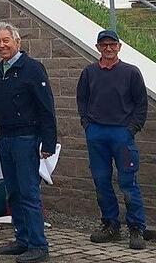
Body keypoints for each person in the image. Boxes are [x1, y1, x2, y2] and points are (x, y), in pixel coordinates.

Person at [0, 22, 56, 263]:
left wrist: (48, 142)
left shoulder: (33, 69)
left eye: (6, 40)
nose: (1, 45)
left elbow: (46, 107)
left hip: (27, 139)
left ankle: (39, 245)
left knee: (29, 192)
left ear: (17, 42)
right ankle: (22, 239)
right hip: (5, 138)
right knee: (14, 192)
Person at [77, 30, 148, 250]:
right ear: (98, 47)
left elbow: (141, 104)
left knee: (128, 182)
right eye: (104, 45)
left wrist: (131, 129)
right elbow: (82, 100)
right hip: (97, 134)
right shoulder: (89, 73)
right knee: (101, 181)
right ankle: (110, 224)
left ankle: (136, 228)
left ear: (119, 47)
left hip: (122, 136)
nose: (108, 48)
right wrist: (88, 126)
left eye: (112, 44)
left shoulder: (131, 72)